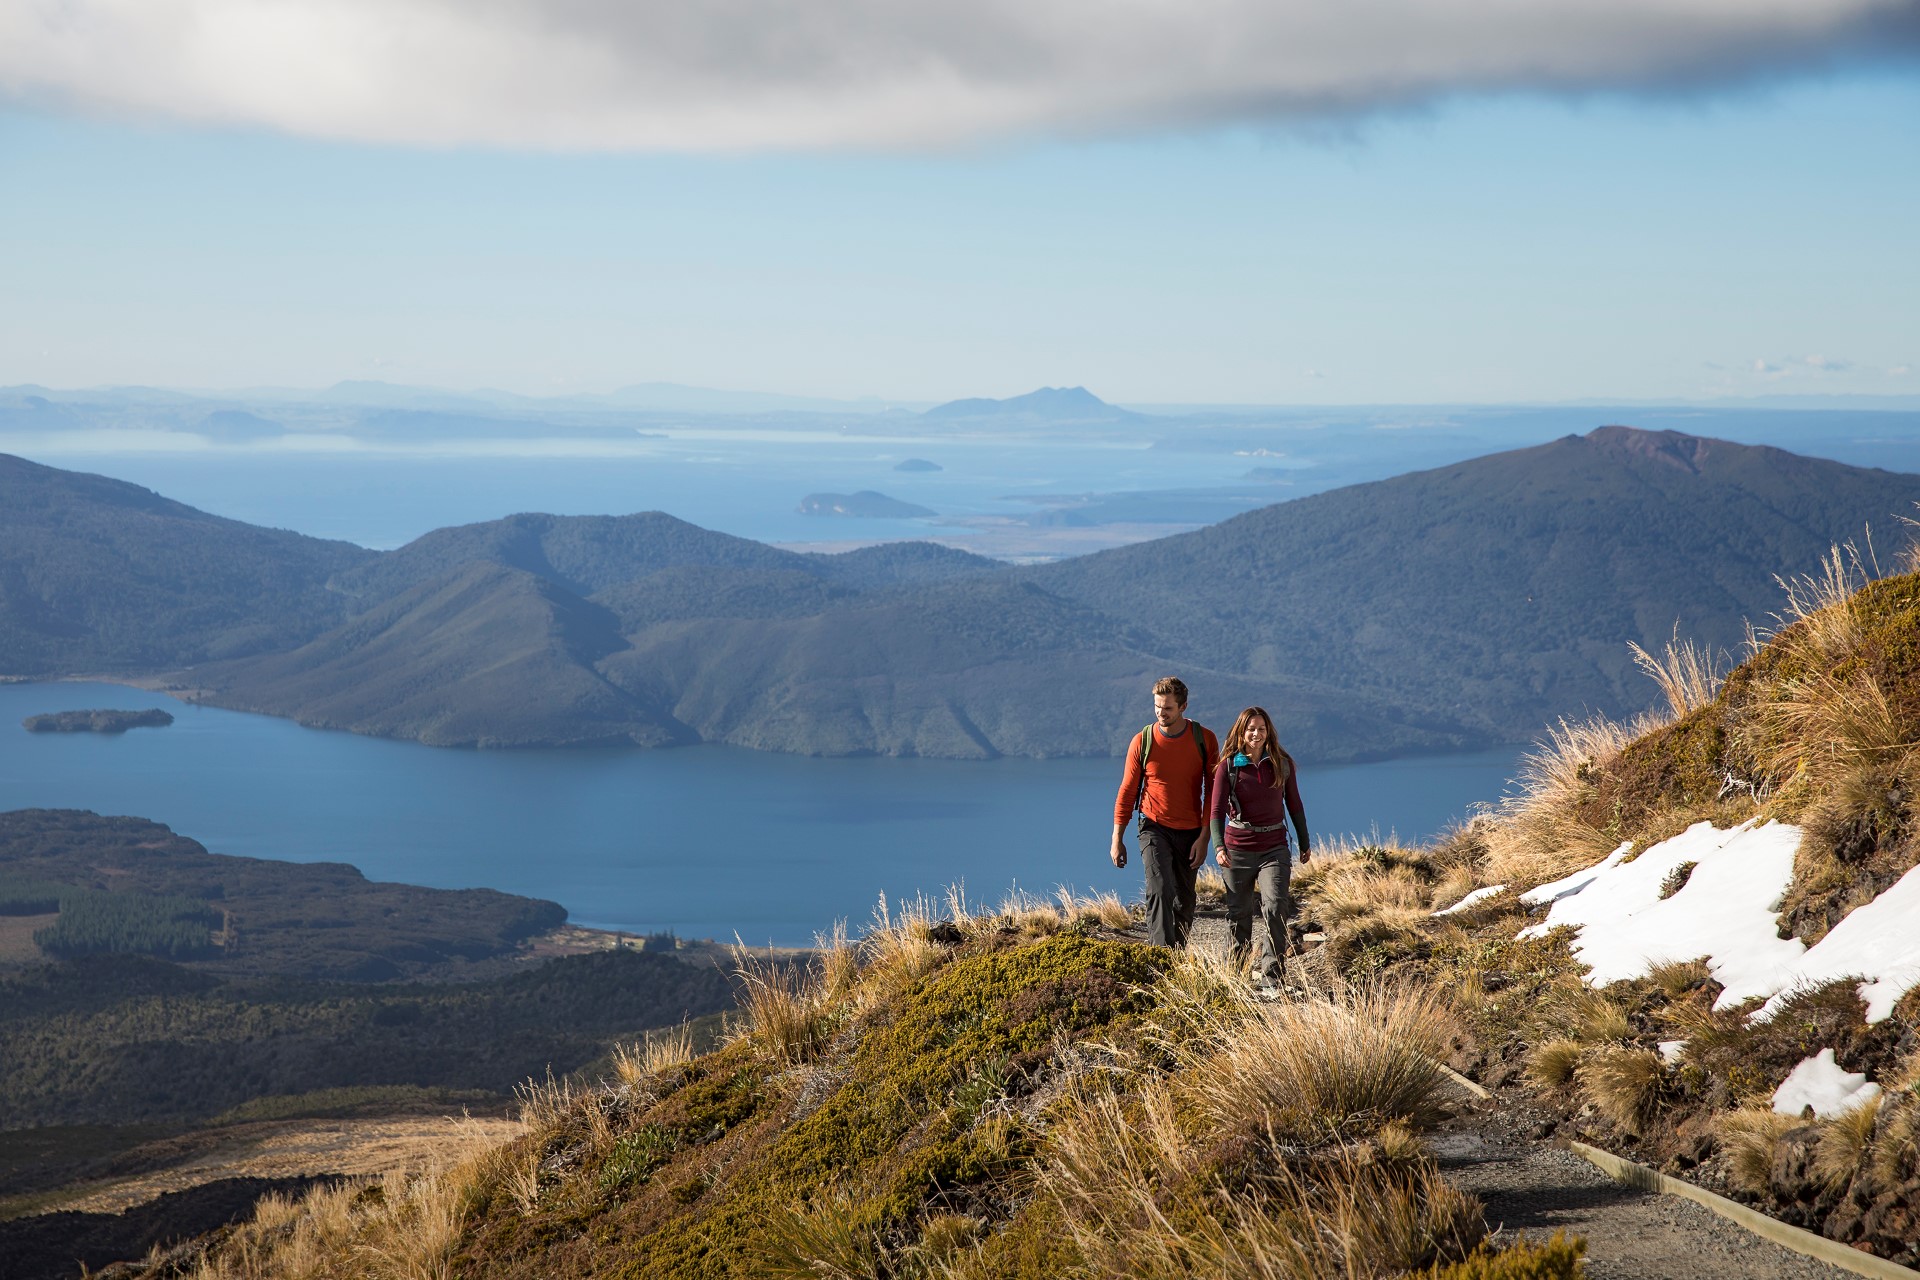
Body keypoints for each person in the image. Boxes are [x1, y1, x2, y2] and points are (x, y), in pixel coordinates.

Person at [1111, 676, 1219, 949]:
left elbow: (1215, 793)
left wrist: (1205, 837)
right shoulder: (1142, 741)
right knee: (1160, 889)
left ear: (1183, 707)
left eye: (1168, 708)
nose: (1161, 712)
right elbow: (1126, 791)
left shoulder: (1204, 739)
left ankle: (1177, 953)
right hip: (1153, 825)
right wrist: (1117, 838)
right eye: (1157, 706)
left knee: (1184, 898)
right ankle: (1162, 958)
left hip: (1191, 829)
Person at [1209, 706, 1310, 988]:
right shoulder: (1229, 766)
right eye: (1251, 728)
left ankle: (1272, 977)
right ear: (1241, 732)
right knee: (1238, 914)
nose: (1256, 733)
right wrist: (1218, 847)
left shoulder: (1281, 762)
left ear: (1268, 733)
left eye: (1261, 729)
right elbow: (1216, 810)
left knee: (1276, 906)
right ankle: (1236, 977)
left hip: (1274, 847)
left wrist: (1304, 841)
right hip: (1237, 849)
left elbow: (1295, 804)